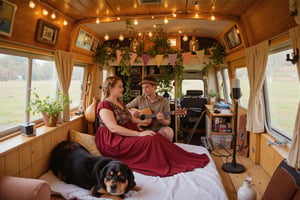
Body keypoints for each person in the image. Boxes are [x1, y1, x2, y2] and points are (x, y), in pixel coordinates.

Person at [95, 76, 209, 177]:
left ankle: (175, 158)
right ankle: (162, 162)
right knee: (151, 139)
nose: (122, 89)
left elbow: (130, 119)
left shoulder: (120, 102)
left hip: (128, 132)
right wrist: (139, 133)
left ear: (155, 88)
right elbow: (113, 128)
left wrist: (143, 122)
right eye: (120, 86)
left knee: (156, 136)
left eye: (122, 86)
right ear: (111, 88)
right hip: (113, 139)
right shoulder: (104, 104)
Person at [126, 76, 174, 141]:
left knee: (168, 131)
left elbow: (168, 122)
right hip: (142, 129)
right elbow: (124, 108)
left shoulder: (164, 102)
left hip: (158, 129)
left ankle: (165, 150)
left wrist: (162, 120)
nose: (144, 90)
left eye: (147, 87)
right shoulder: (139, 99)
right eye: (143, 88)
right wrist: (133, 112)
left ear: (155, 87)